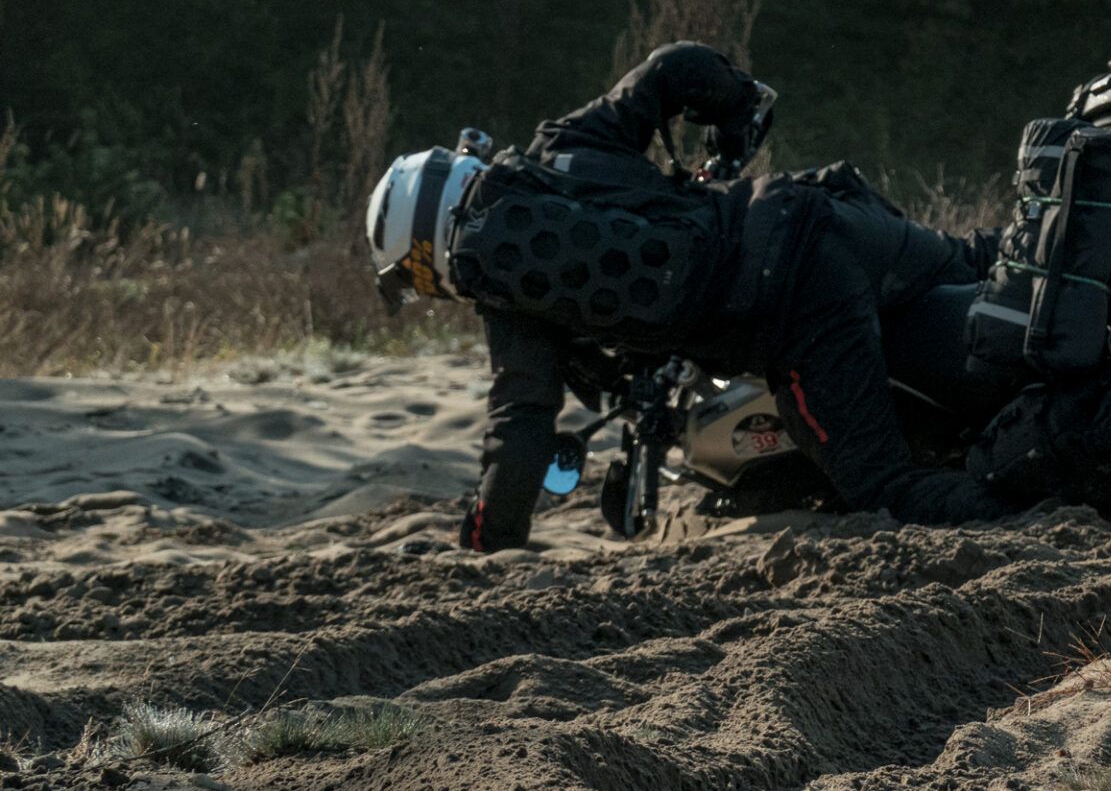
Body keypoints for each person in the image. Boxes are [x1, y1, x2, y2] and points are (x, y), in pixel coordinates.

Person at [365, 41, 1021, 552]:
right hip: (811, 212)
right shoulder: (562, 144)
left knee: (883, 486)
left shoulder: (511, 304)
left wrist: (484, 544)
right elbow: (674, 66)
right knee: (979, 260)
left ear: (428, 262)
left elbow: (519, 439)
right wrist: (734, 124)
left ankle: (1050, 504)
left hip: (789, 307)